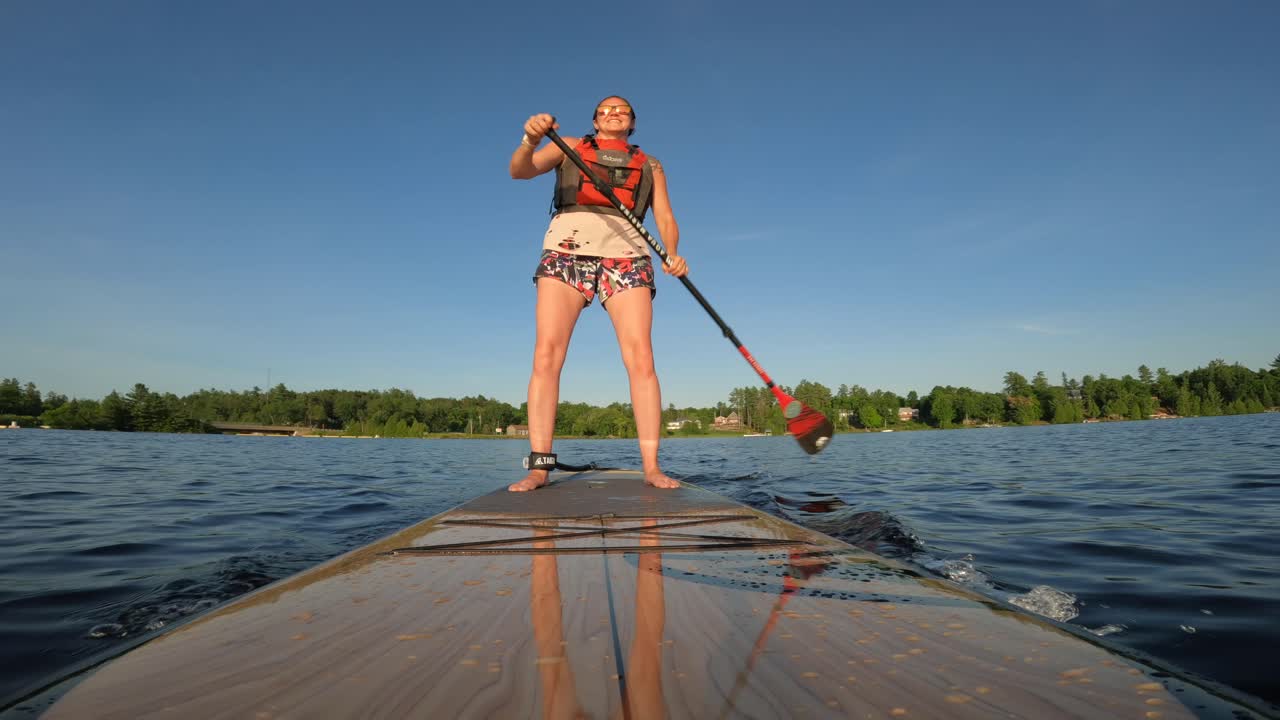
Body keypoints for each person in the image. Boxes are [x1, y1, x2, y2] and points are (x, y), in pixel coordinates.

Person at [508, 96, 686, 492]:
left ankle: (652, 467)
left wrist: (673, 253)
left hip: (628, 256)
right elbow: (520, 172)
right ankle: (540, 467)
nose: (613, 113)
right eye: (605, 110)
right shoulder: (567, 143)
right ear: (594, 120)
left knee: (641, 356)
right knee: (547, 353)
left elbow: (666, 218)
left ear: (633, 122)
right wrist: (529, 139)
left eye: (621, 109)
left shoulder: (652, 165)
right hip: (566, 250)